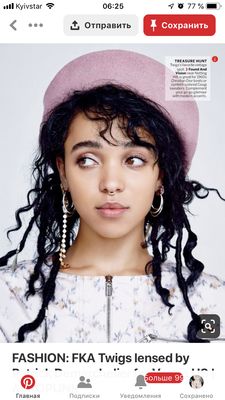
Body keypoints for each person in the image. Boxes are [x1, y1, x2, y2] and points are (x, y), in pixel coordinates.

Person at [0, 50, 224, 343]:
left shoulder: (209, 302)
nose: (110, 183)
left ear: (161, 177)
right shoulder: (9, 298)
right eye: (88, 160)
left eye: (134, 160)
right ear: (63, 171)